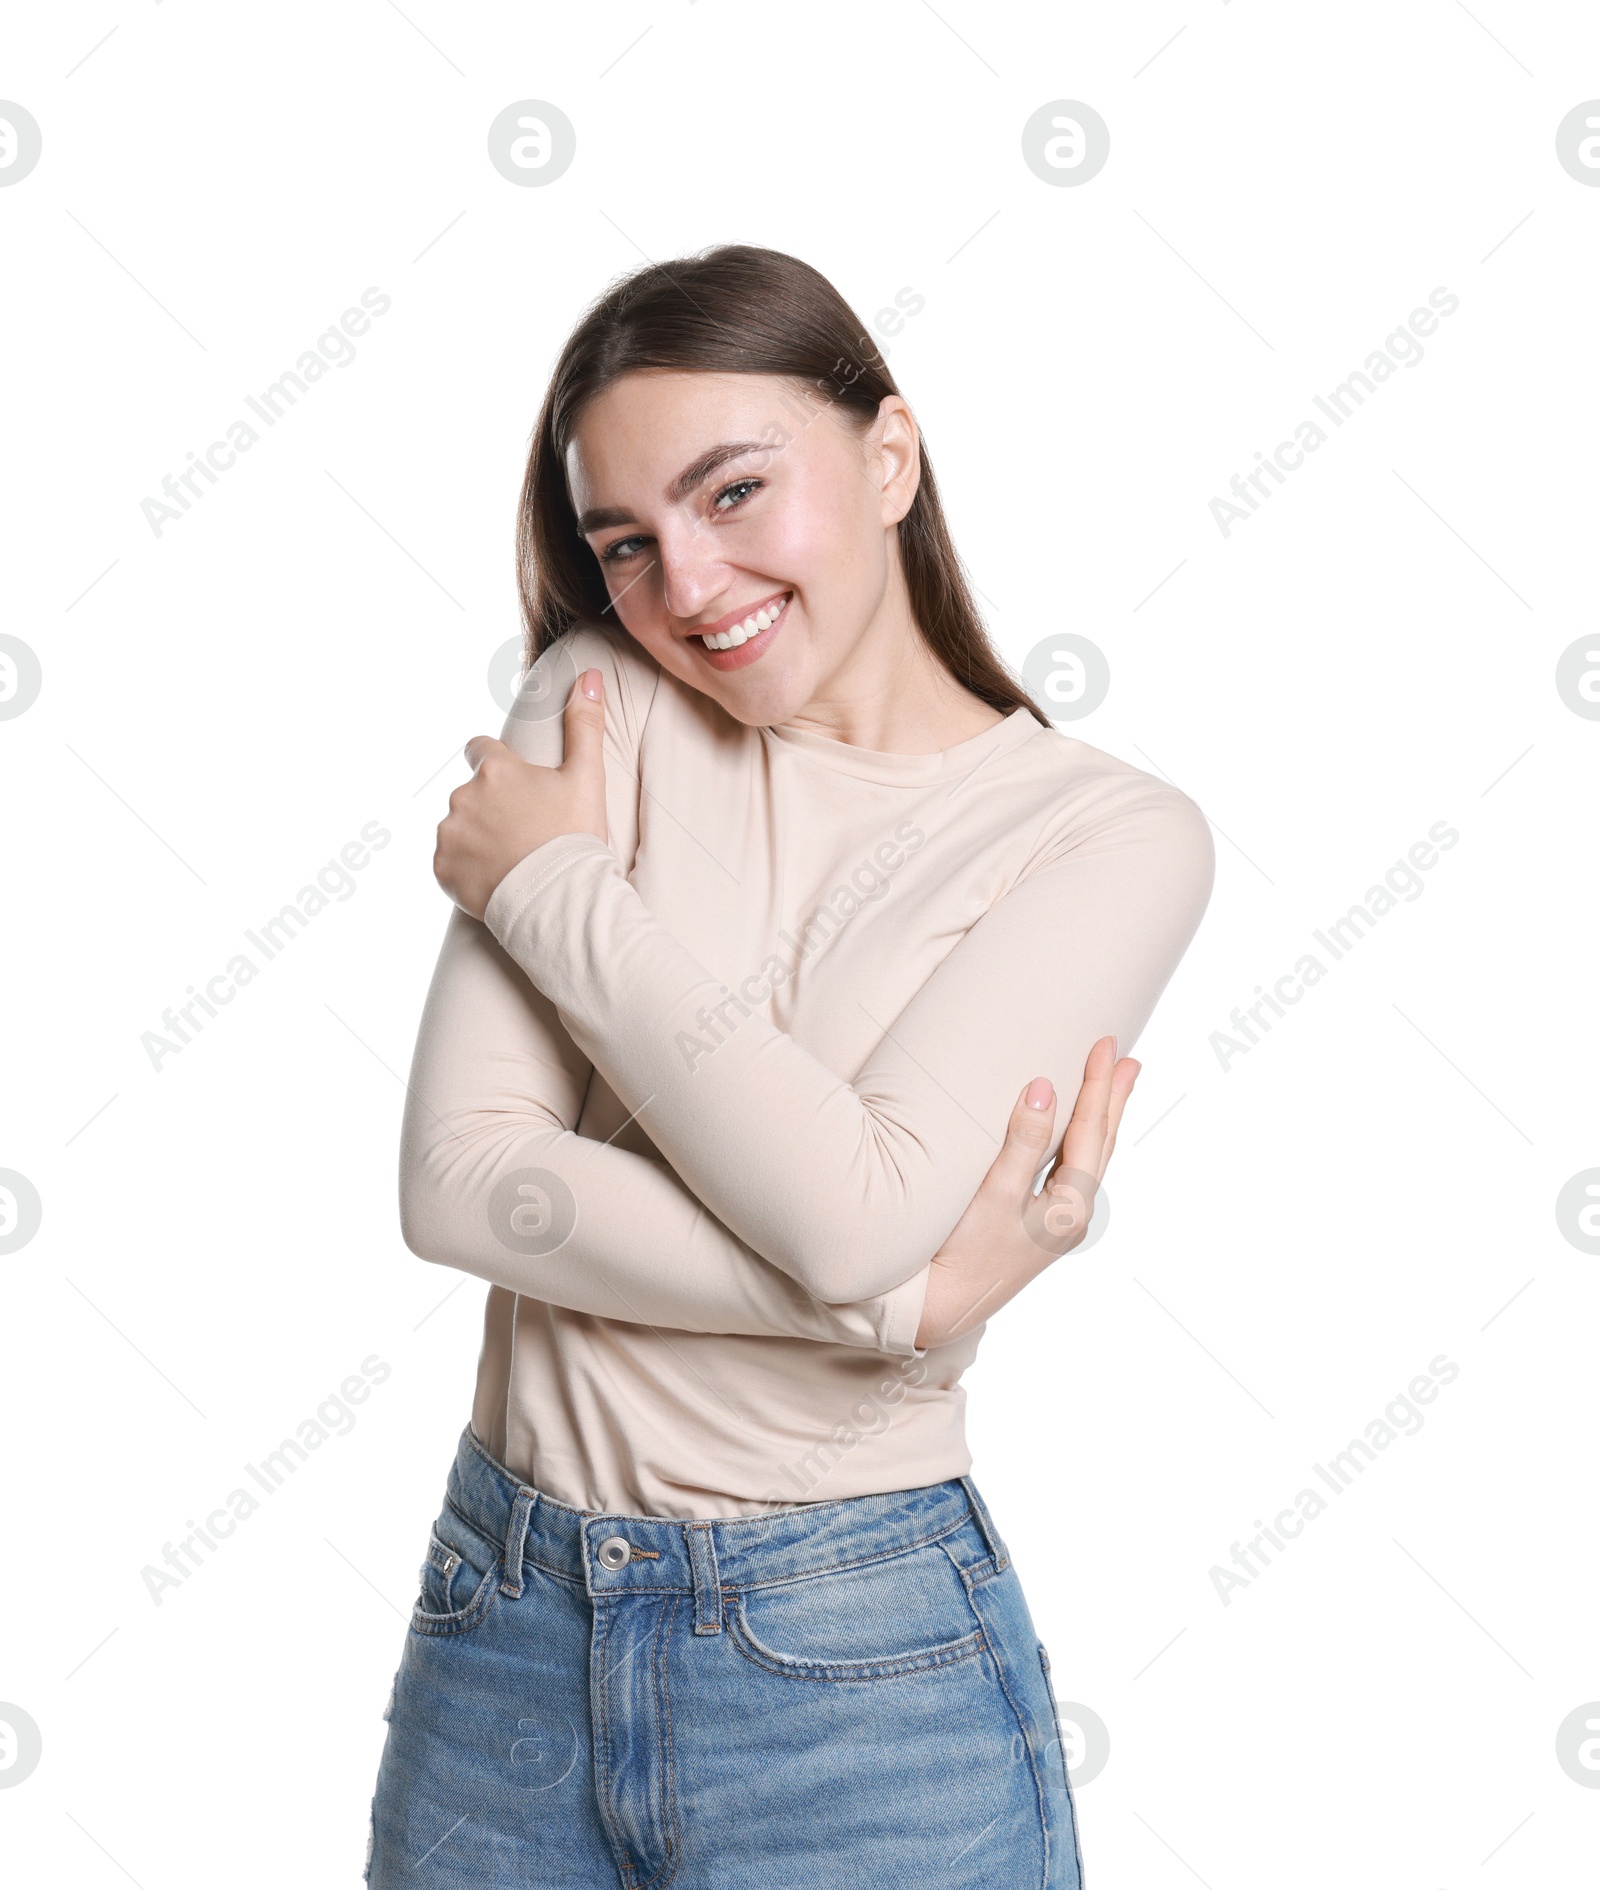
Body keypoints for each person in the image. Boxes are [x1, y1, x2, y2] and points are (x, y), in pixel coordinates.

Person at [365, 245, 1214, 1888]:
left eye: (734, 491)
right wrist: (899, 1306)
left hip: (856, 1662)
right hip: (505, 1621)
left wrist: (550, 888)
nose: (687, 584)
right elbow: (458, 1177)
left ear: (888, 453)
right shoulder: (600, 698)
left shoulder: (1102, 834)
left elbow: (850, 1204)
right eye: (628, 541)